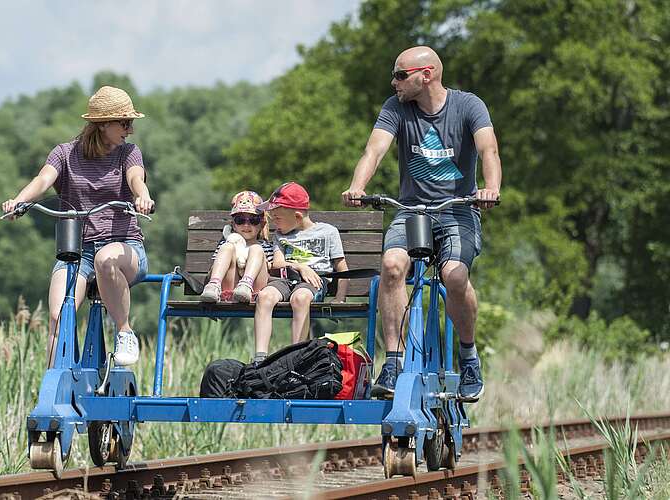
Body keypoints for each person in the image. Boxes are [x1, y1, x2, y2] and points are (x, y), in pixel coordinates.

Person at [341, 46, 501, 402]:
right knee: (392, 266)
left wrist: (490, 188)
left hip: (459, 209)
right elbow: (375, 150)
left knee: (455, 275)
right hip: (412, 210)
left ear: (425, 75)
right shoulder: (395, 107)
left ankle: (469, 356)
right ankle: (394, 361)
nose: (393, 82)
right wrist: (358, 186)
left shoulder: (468, 106)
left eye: (400, 75)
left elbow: (488, 149)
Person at [2, 85, 154, 368]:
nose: (130, 129)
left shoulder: (128, 153)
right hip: (79, 252)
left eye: (130, 122)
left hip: (124, 248)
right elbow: (44, 180)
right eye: (124, 122)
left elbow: (136, 179)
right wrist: (19, 201)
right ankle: (55, 384)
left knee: (105, 258)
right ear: (101, 124)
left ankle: (124, 330)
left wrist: (142, 196)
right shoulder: (65, 153)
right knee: (59, 314)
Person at [253, 182, 348, 363]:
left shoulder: (328, 232)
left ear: (297, 216)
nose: (274, 222)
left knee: (300, 298)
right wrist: (299, 266)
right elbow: (278, 262)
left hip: (313, 283)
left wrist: (339, 298)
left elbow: (342, 269)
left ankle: (295, 356)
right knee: (264, 296)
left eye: (277, 218)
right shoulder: (281, 235)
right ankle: (260, 358)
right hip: (286, 279)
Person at [200, 191, 274, 303]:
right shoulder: (226, 243)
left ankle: (246, 285)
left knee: (256, 249)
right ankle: (214, 286)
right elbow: (216, 264)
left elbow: (271, 271)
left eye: (253, 220)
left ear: (261, 224)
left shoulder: (265, 246)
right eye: (240, 220)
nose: (246, 225)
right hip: (229, 290)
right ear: (234, 224)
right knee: (227, 247)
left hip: (256, 291)